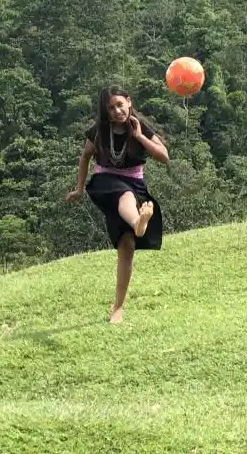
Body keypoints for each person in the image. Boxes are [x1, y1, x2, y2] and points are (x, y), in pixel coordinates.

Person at [67, 85, 169, 324]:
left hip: (136, 183)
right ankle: (137, 222)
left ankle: (118, 308)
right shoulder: (100, 131)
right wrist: (79, 189)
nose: (116, 111)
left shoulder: (140, 126)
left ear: (129, 102)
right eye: (111, 108)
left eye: (120, 105)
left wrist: (140, 136)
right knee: (125, 196)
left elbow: (164, 157)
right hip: (106, 182)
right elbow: (85, 157)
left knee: (126, 246)